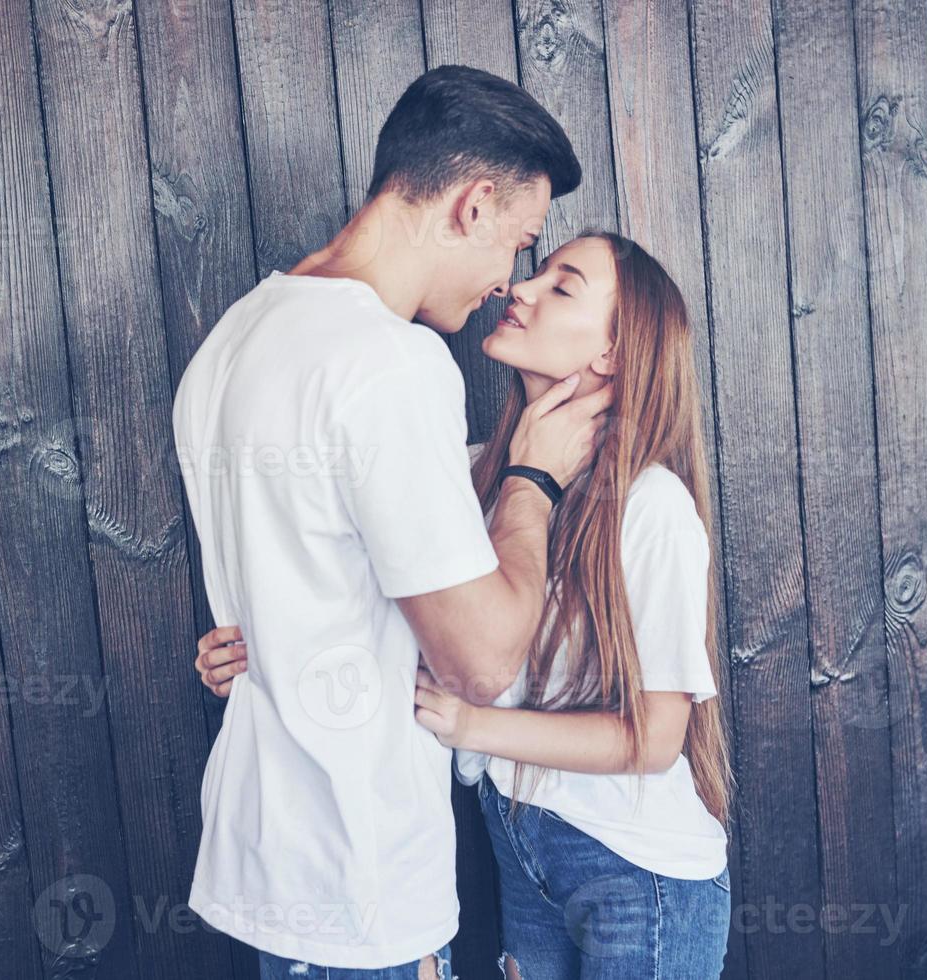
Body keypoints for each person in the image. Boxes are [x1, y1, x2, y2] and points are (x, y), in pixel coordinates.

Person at [198, 232, 735, 979]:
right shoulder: (474, 474)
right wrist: (261, 647)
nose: (522, 288)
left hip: (641, 876)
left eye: (562, 285)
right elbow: (389, 621)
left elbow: (655, 741)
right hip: (518, 840)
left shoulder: (650, 508)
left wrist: (474, 725)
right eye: (535, 269)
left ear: (612, 351)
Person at [172, 65, 610, 980]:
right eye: (520, 243)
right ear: (473, 205)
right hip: (358, 885)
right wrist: (531, 476)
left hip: (267, 864)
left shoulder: (237, 335)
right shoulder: (392, 365)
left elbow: (298, 589)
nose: (506, 282)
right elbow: (482, 662)